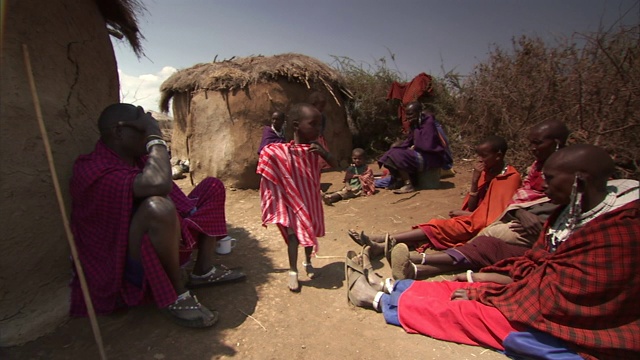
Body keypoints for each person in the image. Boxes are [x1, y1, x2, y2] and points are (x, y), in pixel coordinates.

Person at [346, 144, 640, 359]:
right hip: (538, 291)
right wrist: (485, 281)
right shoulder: (571, 210)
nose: (543, 186)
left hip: (570, 324)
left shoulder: (620, 232)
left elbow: (559, 299)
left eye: (550, 180)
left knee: (472, 312)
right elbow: (539, 264)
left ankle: (375, 299)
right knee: (463, 283)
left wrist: (485, 291)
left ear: (580, 181)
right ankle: (394, 285)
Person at [69, 103, 245, 329]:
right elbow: (159, 184)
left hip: (164, 239)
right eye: (142, 130)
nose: (148, 136)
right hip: (125, 259)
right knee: (158, 207)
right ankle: (177, 294)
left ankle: (203, 271)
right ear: (119, 132)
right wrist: (155, 138)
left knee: (212, 186)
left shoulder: (139, 161)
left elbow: (166, 186)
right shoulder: (93, 170)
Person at [391, 120, 570, 280]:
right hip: (492, 220)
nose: (532, 148)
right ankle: (393, 246)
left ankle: (415, 258)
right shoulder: (533, 168)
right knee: (452, 229)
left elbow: (496, 213)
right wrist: (475, 182)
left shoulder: (511, 176)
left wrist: (473, 215)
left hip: (497, 225)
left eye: (537, 143)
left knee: (477, 240)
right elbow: (512, 204)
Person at [350, 135, 521, 254]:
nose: (479, 160)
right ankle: (383, 244)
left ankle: (383, 239)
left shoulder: (510, 178)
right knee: (437, 231)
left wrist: (466, 214)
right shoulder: (486, 172)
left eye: (484, 156)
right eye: (478, 155)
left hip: (483, 228)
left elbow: (496, 219)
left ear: (498, 156)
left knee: (437, 226)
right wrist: (475, 182)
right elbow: (474, 206)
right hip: (471, 221)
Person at [257, 103, 338, 292]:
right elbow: (265, 155)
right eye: (313, 124)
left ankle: (308, 262)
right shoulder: (283, 150)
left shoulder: (316, 149)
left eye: (320, 124)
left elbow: (334, 163)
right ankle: (293, 271)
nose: (318, 129)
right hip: (292, 202)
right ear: (295, 125)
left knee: (310, 234)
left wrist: (324, 153)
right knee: (293, 237)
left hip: (311, 199)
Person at [377, 101, 448, 194]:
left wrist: (414, 147)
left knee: (396, 154)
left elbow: (428, 144)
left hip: (430, 157)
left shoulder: (428, 123)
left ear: (419, 112)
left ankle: (408, 184)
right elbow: (410, 140)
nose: (408, 117)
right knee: (391, 152)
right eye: (407, 115)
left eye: (410, 114)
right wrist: (400, 146)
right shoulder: (415, 124)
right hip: (419, 154)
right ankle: (399, 180)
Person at [308, 91, 332, 169]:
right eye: (321, 106)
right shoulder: (307, 115)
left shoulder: (322, 117)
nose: (322, 108)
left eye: (323, 106)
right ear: (313, 104)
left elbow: (322, 128)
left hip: (319, 139)